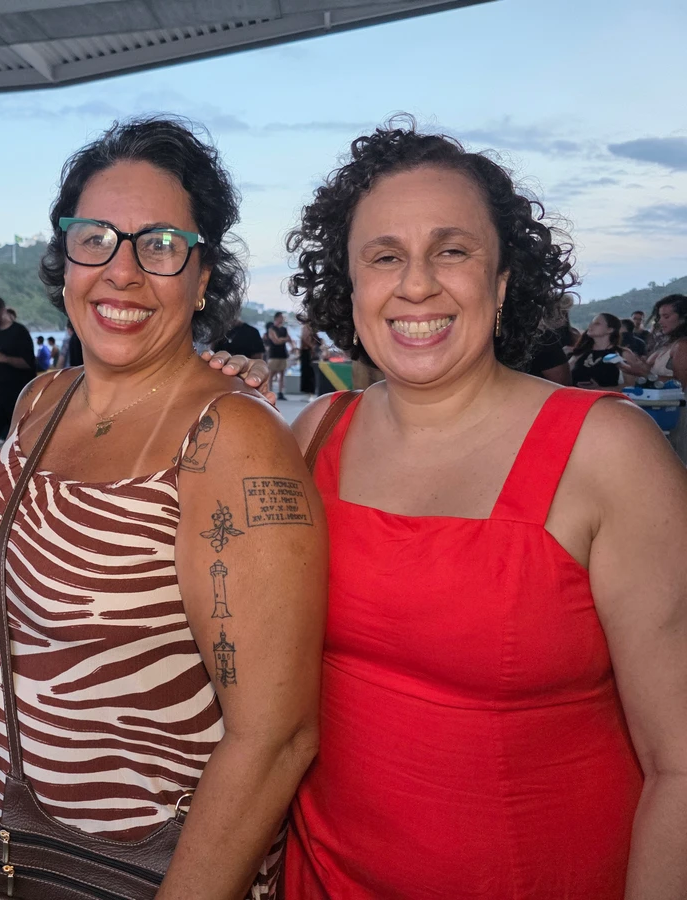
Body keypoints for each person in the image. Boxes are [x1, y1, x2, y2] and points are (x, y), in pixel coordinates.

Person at [270, 121, 687, 897]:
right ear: (351, 285)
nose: (417, 283)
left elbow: (680, 764)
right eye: (384, 256)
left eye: (452, 251)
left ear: (500, 283)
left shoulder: (608, 453)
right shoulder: (315, 434)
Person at [0, 117, 326, 900]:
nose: (122, 272)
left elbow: (276, 738)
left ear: (202, 273)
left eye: (158, 245)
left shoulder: (231, 439)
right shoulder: (43, 401)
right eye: (96, 239)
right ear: (65, 255)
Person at [621, 293, 687, 461]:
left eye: (666, 316)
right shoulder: (667, 343)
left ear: (683, 317)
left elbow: (682, 385)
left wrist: (644, 372)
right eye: (659, 316)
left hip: (677, 415)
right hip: (660, 412)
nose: (660, 321)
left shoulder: (683, 345)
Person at [0, 295, 35, 460]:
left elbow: (29, 363)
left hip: (16, 397)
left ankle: (15, 477)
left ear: (2, 311)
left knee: (18, 439)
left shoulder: (19, 332)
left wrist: (5, 359)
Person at [569, 313, 623, 388]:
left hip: (605, 398)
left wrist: (600, 389)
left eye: (597, 324)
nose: (590, 326)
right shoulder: (580, 352)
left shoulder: (621, 353)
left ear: (610, 330)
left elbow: (629, 385)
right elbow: (564, 377)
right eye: (591, 323)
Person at [264, 311, 293, 399]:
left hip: (283, 354)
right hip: (274, 354)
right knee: (271, 374)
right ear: (277, 318)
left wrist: (282, 339)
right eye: (281, 317)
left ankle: (280, 393)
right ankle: (269, 391)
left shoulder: (284, 329)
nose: (283, 319)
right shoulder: (272, 329)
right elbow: (276, 341)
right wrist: (284, 339)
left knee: (282, 374)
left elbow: (289, 339)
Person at [297, 321, 317, 395]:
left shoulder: (309, 327)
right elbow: (305, 339)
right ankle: (308, 390)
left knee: (309, 371)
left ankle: (309, 390)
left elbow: (305, 338)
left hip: (308, 351)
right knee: (307, 371)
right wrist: (312, 346)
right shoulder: (307, 327)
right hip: (307, 351)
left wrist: (312, 346)